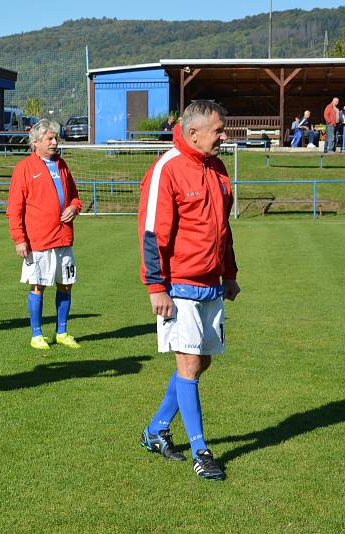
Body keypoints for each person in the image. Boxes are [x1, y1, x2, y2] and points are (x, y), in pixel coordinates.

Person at [137, 101, 240, 481]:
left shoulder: (217, 168)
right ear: (193, 133)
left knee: (202, 362)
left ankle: (155, 430)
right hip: (177, 285)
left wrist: (229, 274)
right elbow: (151, 234)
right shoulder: (167, 169)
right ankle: (201, 451)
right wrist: (156, 286)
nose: (224, 136)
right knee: (188, 365)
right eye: (218, 130)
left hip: (211, 283)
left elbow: (222, 229)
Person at [6, 119, 83, 351]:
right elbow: (14, 208)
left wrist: (74, 208)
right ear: (36, 142)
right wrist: (19, 239)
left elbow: (75, 197)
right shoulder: (24, 168)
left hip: (64, 238)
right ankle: (36, 334)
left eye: (55, 138)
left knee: (66, 285)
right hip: (39, 240)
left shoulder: (62, 165)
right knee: (38, 285)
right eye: (49, 139)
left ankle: (62, 332)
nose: (54, 142)